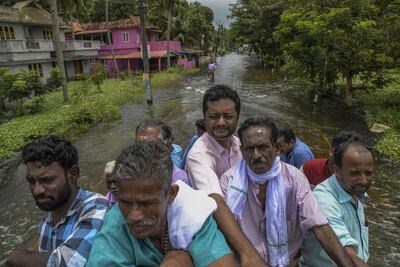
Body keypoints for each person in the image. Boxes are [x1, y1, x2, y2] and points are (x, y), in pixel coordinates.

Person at [220, 117, 356, 267]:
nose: (256, 155)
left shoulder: (295, 180)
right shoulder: (229, 182)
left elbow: (318, 224)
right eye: (250, 149)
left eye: (263, 147)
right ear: (242, 151)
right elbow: (223, 228)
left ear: (277, 148)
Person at [86, 141, 235, 266]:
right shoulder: (115, 225)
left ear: (171, 194)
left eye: (147, 203)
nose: (134, 216)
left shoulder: (193, 212)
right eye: (125, 202)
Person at [186, 85, 266, 266]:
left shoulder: (240, 145)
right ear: (205, 118)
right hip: (216, 223)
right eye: (214, 116)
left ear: (238, 117)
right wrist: (248, 254)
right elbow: (216, 201)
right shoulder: (198, 155)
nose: (221, 122)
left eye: (227, 116)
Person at [5, 135, 109, 267]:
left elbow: (69, 263)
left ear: (73, 174)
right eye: (31, 181)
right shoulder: (45, 225)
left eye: (47, 180)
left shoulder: (96, 206)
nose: (37, 190)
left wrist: (19, 257)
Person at [300, 142, 374, 267]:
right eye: (355, 173)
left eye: (368, 173)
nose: (363, 180)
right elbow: (345, 251)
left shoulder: (356, 191)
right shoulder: (323, 200)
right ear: (337, 170)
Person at [135, 118, 190, 185]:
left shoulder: (178, 180)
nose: (142, 150)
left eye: (151, 146)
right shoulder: (128, 172)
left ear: (168, 146)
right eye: (138, 145)